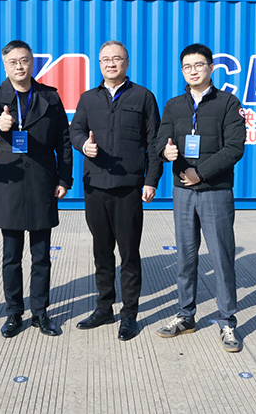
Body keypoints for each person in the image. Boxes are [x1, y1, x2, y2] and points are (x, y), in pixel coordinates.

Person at [154, 43, 246, 353]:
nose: (193, 71)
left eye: (198, 65)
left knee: (221, 257)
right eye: (187, 67)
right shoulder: (174, 105)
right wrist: (164, 151)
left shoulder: (227, 103)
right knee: (186, 257)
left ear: (210, 68)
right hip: (182, 192)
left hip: (214, 192)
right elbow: (160, 139)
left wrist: (201, 173)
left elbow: (234, 148)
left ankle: (227, 321)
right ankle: (185, 315)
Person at [69, 40, 162, 341]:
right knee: (101, 251)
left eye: (117, 58)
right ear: (99, 64)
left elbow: (155, 143)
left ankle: (129, 314)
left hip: (128, 188)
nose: (111, 63)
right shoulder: (88, 98)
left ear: (127, 62)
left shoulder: (143, 97)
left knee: (129, 253)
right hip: (95, 187)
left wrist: (151, 180)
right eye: (105, 59)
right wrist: (83, 145)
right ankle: (104, 307)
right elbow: (75, 130)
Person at [0, 40, 73, 338]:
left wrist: (64, 179)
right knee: (11, 256)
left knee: (41, 255)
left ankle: (40, 313)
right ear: (5, 65)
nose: (19, 66)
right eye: (13, 62)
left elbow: (63, 141)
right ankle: (13, 313)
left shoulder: (49, 96)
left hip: (42, 182)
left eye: (24, 60)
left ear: (32, 63)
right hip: (9, 183)